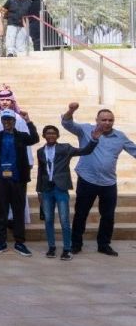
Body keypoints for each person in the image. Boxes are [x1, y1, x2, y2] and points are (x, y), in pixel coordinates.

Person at [61, 102, 136, 257]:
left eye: (110, 120)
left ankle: (104, 245)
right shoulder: (85, 130)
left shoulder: (120, 136)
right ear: (97, 120)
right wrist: (71, 110)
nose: (107, 123)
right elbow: (67, 123)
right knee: (81, 214)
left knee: (108, 216)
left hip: (109, 183)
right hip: (87, 180)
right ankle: (76, 244)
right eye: (104, 120)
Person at [35, 123, 98, 260]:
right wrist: (39, 191)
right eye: (48, 133)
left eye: (53, 133)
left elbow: (85, 151)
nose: (51, 135)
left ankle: (67, 249)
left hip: (61, 188)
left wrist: (93, 140)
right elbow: (40, 171)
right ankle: (51, 247)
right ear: (44, 135)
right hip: (46, 189)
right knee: (48, 220)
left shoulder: (66, 148)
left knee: (64, 220)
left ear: (58, 135)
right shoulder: (40, 151)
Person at [0, 109, 39, 256]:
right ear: (2, 121)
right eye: (5, 120)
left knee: (18, 211)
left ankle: (19, 242)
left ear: (14, 121)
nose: (7, 122)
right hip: (0, 179)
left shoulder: (21, 136)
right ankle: (1, 242)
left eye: (10, 120)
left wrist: (28, 121)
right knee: (1, 211)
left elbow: (35, 138)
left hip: (18, 179)